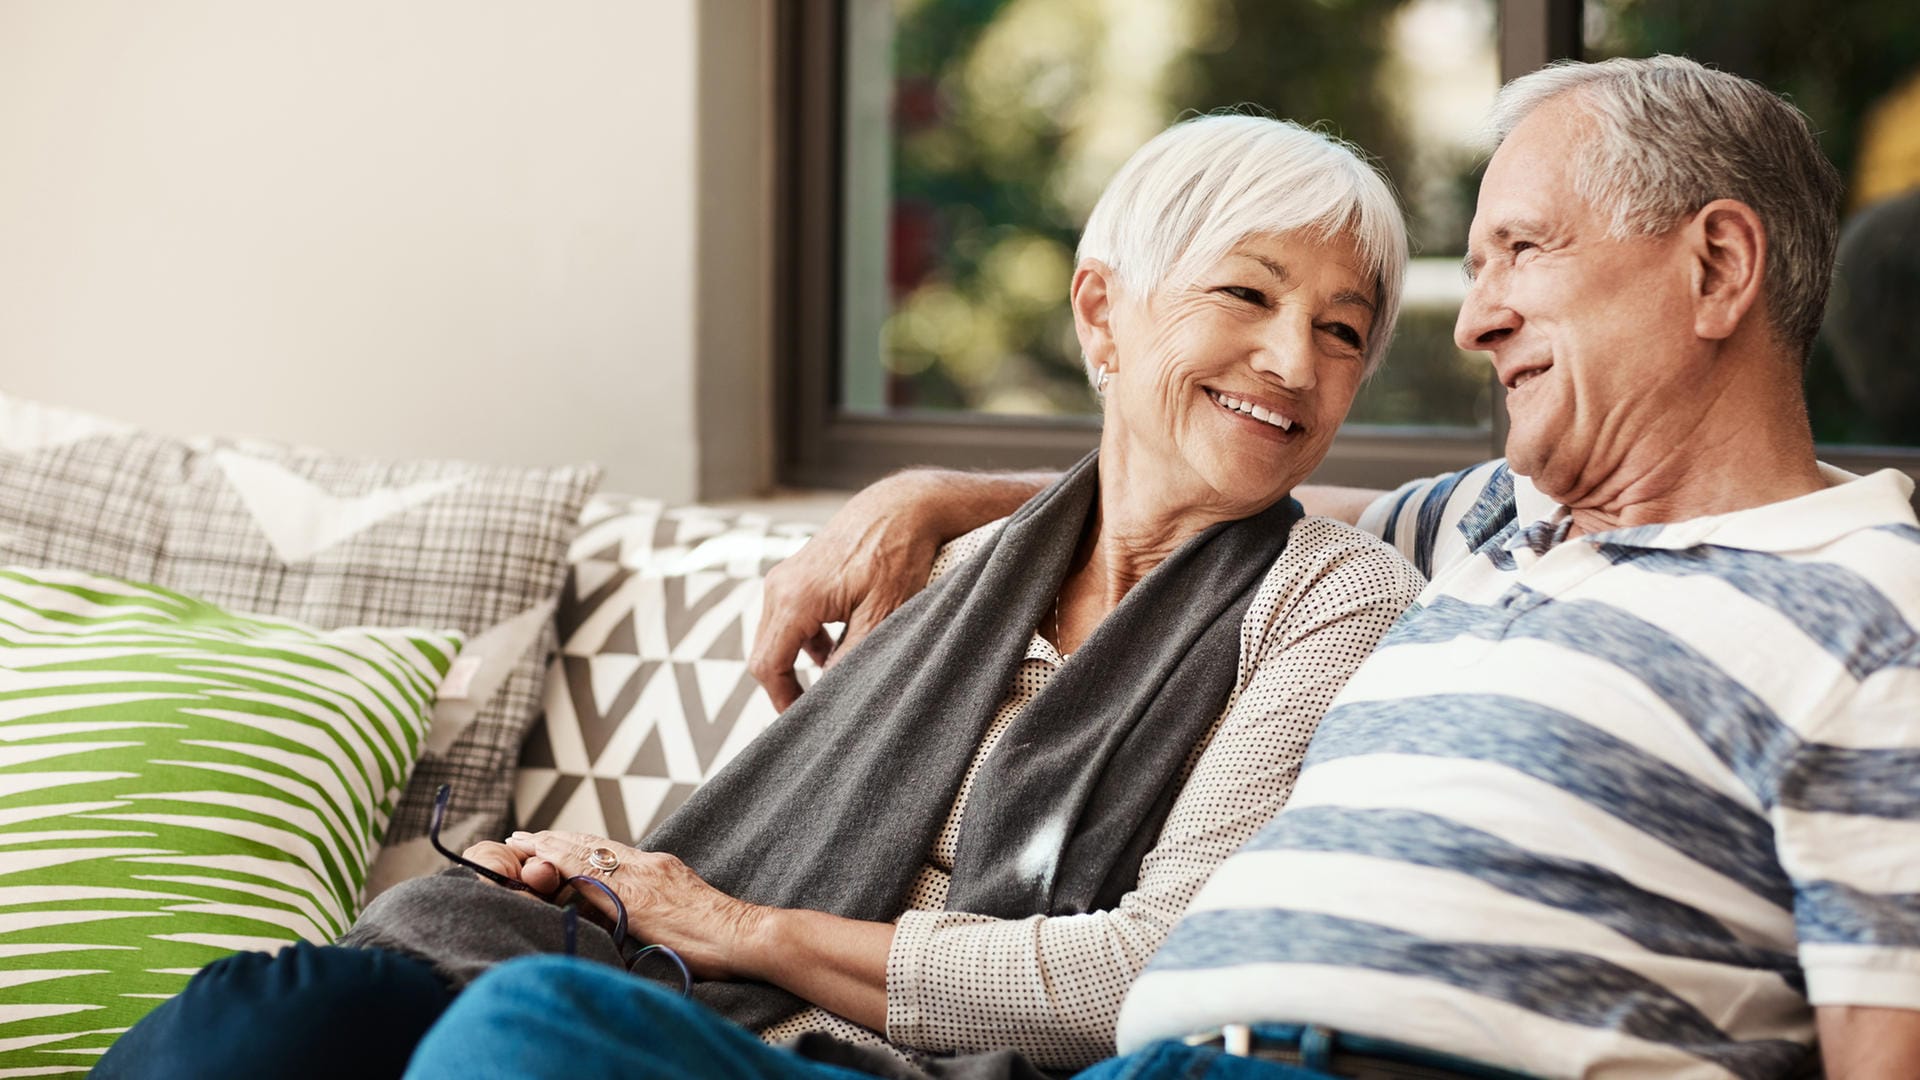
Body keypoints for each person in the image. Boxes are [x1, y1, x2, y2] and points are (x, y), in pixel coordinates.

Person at [402, 55, 1920, 1079]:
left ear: (1716, 269)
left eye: (1523, 251)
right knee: (449, 1014)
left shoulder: (1871, 613)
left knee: (522, 1040)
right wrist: (944, 492)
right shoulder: (1484, 525)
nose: (1474, 317)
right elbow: (1211, 480)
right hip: (1160, 1068)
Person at [95, 114, 1424, 1080]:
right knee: (265, 1019)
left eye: (1345, 328)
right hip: (702, 990)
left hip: (887, 1054)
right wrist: (606, 884)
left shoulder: (1333, 602)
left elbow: (1139, 970)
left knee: (531, 1040)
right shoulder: (959, 571)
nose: (1292, 360)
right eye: (1245, 293)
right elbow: (774, 835)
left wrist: (727, 926)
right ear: (1103, 315)